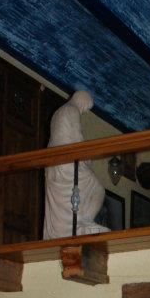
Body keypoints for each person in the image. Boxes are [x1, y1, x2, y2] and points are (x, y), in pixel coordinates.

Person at [43, 90, 107, 239]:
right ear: (82, 101)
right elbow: (77, 140)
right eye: (86, 107)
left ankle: (72, 225)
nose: (84, 110)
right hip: (68, 163)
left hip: (55, 164)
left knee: (65, 198)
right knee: (97, 189)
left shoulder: (58, 112)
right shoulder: (71, 110)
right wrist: (88, 158)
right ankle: (82, 222)